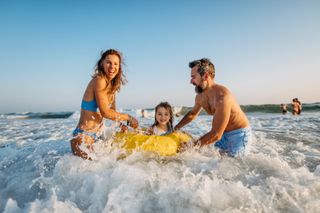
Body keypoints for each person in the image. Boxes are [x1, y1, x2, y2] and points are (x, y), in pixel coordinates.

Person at [174, 58, 251, 157]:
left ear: (205, 76)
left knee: (233, 167)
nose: (191, 81)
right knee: (213, 163)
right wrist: (174, 128)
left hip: (238, 135)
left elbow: (216, 134)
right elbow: (192, 114)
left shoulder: (222, 96)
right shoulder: (200, 97)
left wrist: (191, 146)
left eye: (193, 77)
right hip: (222, 134)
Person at [71, 49, 138, 159]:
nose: (112, 67)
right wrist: (129, 118)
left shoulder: (112, 86)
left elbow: (113, 114)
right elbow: (105, 112)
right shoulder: (100, 80)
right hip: (83, 137)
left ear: (119, 67)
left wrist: (121, 125)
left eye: (115, 64)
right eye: (108, 62)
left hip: (98, 136)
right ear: (102, 64)